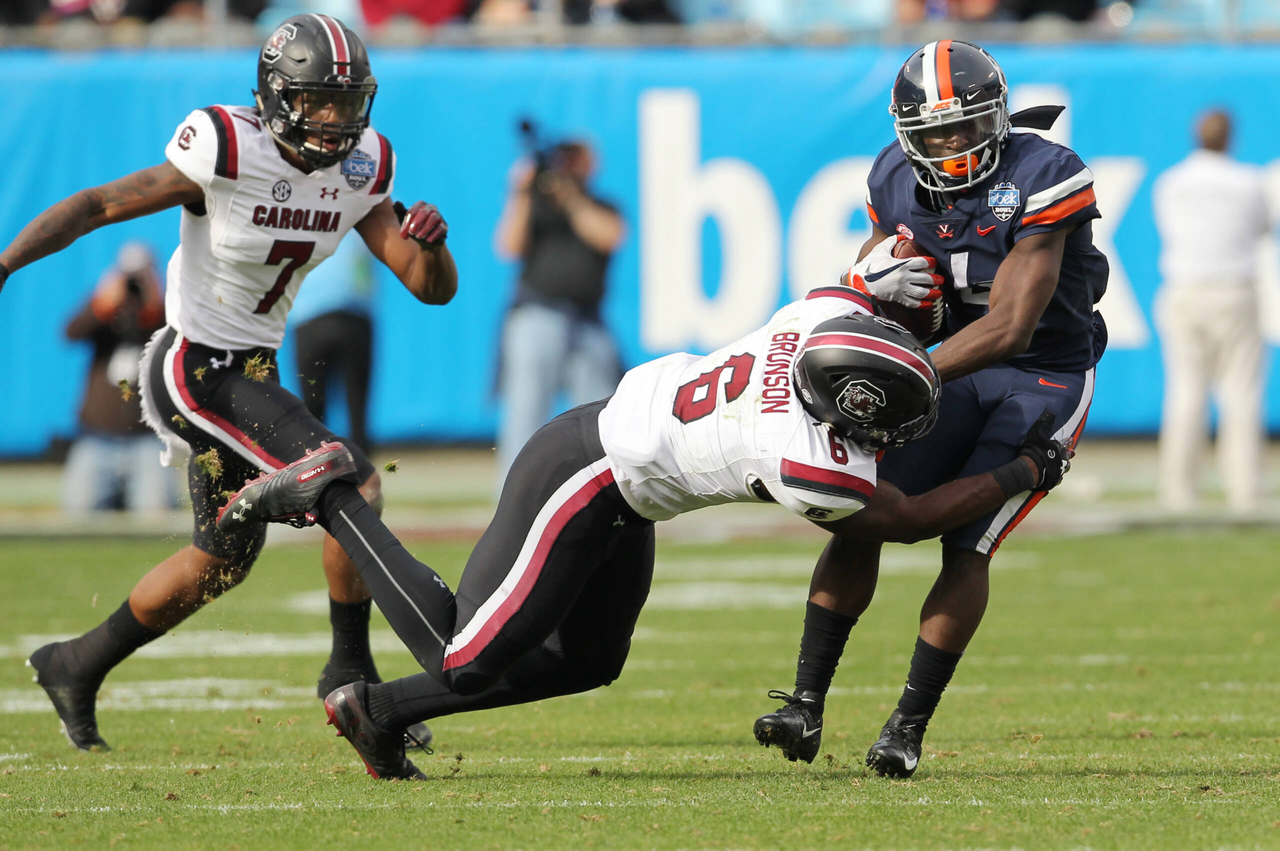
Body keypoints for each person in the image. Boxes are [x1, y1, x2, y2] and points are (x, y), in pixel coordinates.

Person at [217, 286, 1071, 781]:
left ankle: (379, 711)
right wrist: (1023, 470)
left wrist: (892, 282)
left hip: (630, 487)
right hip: (586, 471)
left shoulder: (817, 318)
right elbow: (912, 520)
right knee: (465, 656)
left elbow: (857, 285)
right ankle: (335, 496)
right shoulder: (807, 459)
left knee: (589, 659)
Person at [0, 13, 457, 751]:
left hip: (254, 369)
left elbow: (428, 287)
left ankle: (75, 664)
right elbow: (97, 205)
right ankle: (350, 674)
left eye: (347, 102)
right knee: (353, 481)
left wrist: (431, 246)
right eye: (317, 100)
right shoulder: (226, 145)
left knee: (221, 562)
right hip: (193, 366)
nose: (335, 119)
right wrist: (3, 265)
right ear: (277, 96)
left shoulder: (364, 166)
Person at [754, 40, 1107, 777]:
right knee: (860, 510)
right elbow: (877, 268)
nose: (954, 146)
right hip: (949, 367)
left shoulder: (1044, 174)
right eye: (936, 133)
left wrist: (911, 371)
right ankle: (805, 703)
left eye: (968, 126)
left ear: (999, 117)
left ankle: (906, 728)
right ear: (908, 135)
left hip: (1042, 375)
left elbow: (1010, 328)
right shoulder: (892, 175)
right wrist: (870, 278)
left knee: (967, 543)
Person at [1152, 109, 1270, 514]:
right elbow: (1261, 229)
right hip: (1234, 289)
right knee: (1241, 392)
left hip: (1185, 289)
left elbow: (1170, 230)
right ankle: (1245, 488)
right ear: (1230, 137)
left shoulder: (1171, 182)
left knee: (1186, 390)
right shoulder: (1248, 182)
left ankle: (1178, 489)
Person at [493, 137, 625, 492]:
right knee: (526, 414)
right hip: (537, 316)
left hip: (588, 322)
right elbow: (508, 247)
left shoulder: (601, 206)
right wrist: (520, 192)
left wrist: (569, 197)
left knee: (601, 414)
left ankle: (606, 491)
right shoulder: (535, 205)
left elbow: (609, 236)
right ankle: (517, 496)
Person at [62, 241, 176, 513]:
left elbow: (175, 340)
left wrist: (154, 304)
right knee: (79, 514)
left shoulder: (166, 311)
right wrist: (103, 304)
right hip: (97, 438)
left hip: (148, 441)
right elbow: (71, 333)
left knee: (157, 517)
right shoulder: (104, 310)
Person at [291, 236, 376, 454]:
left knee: (312, 414)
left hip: (311, 319)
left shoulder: (298, 222)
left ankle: (316, 467)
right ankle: (362, 470)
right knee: (356, 408)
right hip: (352, 316)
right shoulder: (361, 220)